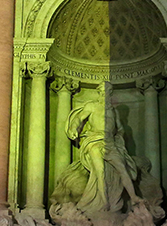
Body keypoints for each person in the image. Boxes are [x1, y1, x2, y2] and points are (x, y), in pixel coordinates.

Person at [60, 82, 142, 213]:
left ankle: (133, 198)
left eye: (107, 92)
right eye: (102, 92)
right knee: (100, 170)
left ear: (110, 93)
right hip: (94, 142)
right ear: (99, 93)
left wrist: (119, 142)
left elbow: (120, 129)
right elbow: (79, 118)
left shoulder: (114, 111)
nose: (104, 94)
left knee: (123, 169)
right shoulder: (91, 106)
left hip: (110, 143)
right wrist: (73, 127)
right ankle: (104, 201)